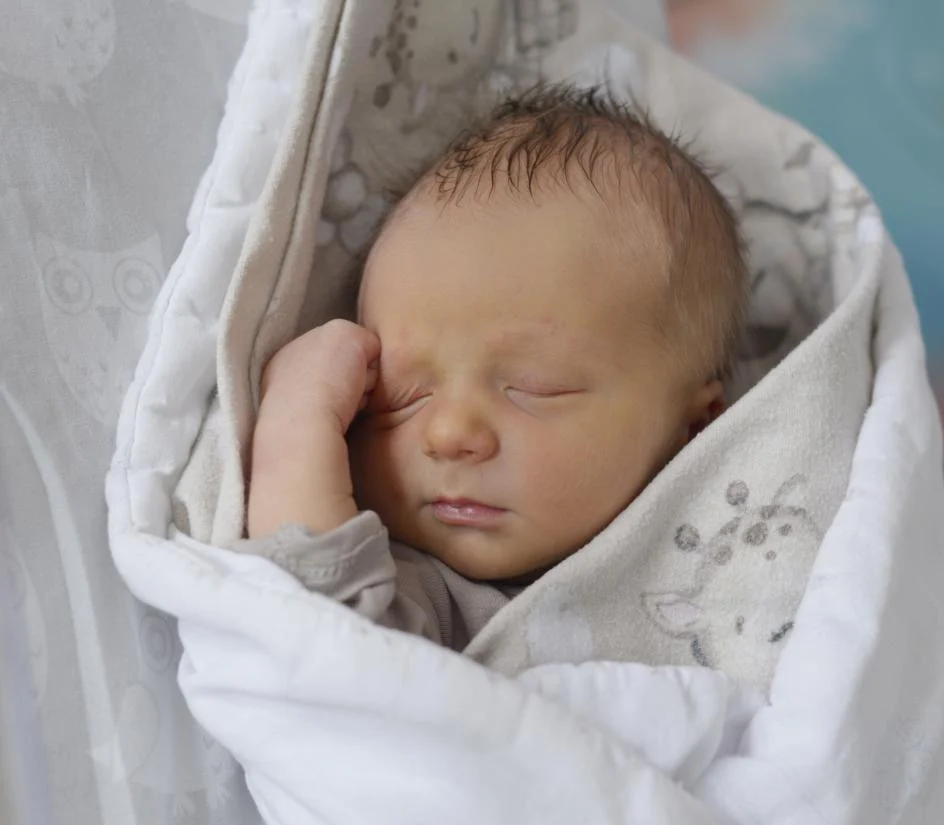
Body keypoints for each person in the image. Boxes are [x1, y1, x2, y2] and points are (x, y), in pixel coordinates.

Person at [236, 84, 747, 648]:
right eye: (402, 395)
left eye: (536, 387)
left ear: (695, 428)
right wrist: (295, 425)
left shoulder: (743, 560)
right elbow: (315, 638)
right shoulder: (416, 590)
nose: (449, 433)